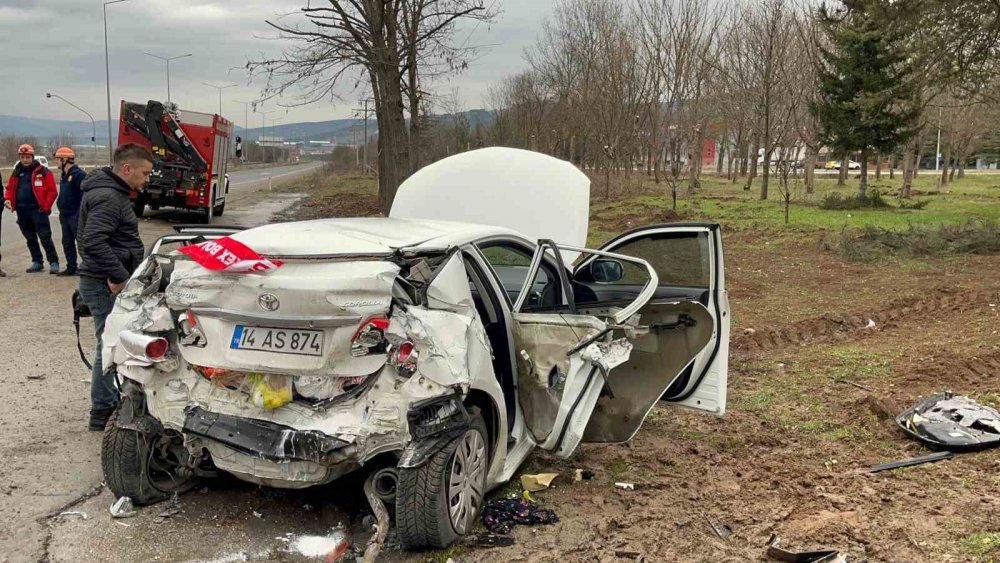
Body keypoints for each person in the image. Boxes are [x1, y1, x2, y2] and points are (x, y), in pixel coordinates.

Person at [77, 143, 152, 431]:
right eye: (144, 173)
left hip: (101, 279)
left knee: (109, 342)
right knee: (108, 345)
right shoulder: (109, 197)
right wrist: (119, 275)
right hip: (103, 283)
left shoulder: (111, 193)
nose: (146, 180)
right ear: (126, 169)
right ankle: (102, 409)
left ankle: (106, 403)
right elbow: (93, 241)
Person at [3, 144, 60, 273]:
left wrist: (45, 207)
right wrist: (8, 199)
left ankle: (54, 262)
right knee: (30, 238)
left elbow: (52, 191)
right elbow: (9, 188)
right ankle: (37, 261)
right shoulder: (17, 172)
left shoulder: (43, 172)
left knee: (45, 237)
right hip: (22, 211)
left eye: (27, 157)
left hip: (38, 211)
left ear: (32, 157)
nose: (24, 160)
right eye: (22, 157)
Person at [54, 147, 87, 276]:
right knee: (67, 242)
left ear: (65, 160)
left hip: (75, 215)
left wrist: (80, 213)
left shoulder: (79, 175)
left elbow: (85, 196)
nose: (56, 162)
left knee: (82, 243)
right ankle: (71, 267)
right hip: (65, 215)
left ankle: (89, 267)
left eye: (58, 159)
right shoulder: (64, 175)